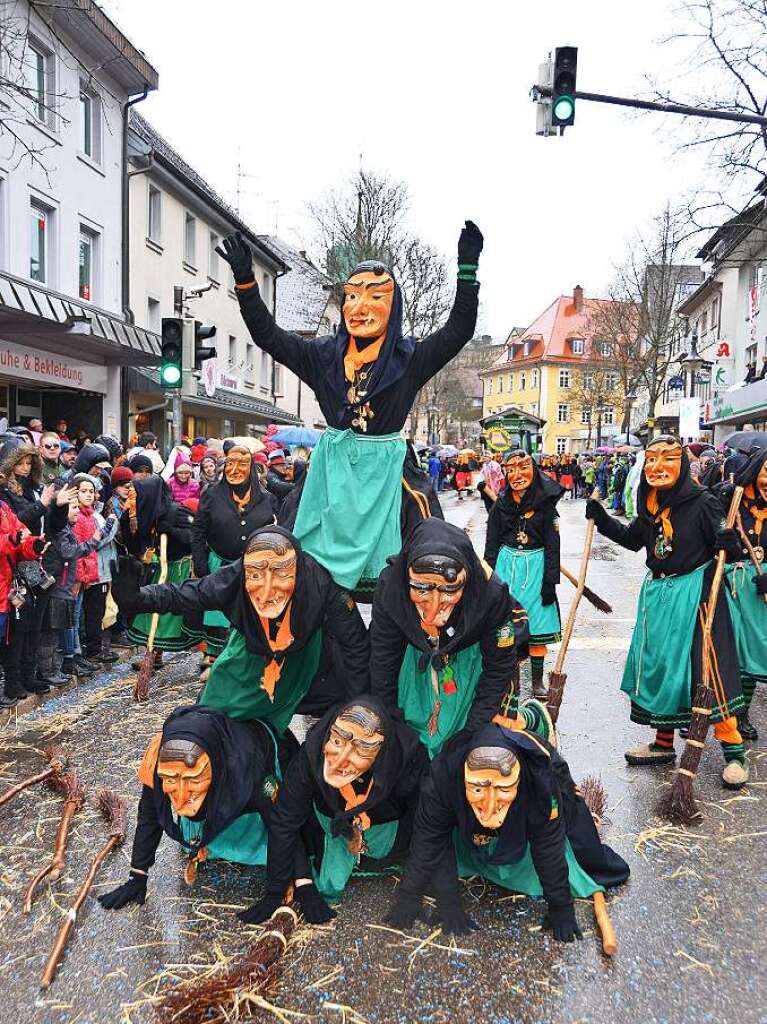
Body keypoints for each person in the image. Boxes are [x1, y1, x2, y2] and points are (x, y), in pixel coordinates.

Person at [216, 221, 482, 593]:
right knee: (289, 558)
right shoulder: (321, 355)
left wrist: (467, 272)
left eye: (376, 296)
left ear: (394, 307)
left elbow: (458, 330)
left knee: (427, 559)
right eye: (352, 296)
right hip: (332, 474)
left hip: (388, 476)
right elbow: (268, 336)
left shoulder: (411, 358)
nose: (360, 306)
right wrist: (245, 281)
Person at [586, 436, 749, 788]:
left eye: (667, 459)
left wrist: (730, 544)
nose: (657, 467)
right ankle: (663, 744)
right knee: (660, 667)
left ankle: (734, 751)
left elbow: (729, 552)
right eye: (651, 460)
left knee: (704, 672)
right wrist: (600, 519)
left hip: (697, 598)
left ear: (683, 464)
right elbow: (634, 540)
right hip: (658, 595)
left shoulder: (703, 503)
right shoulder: (651, 501)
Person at [112, 526, 370, 735]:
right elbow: (191, 593)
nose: (268, 591)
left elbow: (355, 646)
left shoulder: (322, 586)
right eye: (255, 575)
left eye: (281, 574)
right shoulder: (235, 577)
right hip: (252, 651)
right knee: (210, 717)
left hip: (308, 659)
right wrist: (140, 598)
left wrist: (360, 709)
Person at [385, 723, 629, 938]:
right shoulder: (443, 778)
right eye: (478, 788)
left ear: (519, 781)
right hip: (469, 829)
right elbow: (430, 838)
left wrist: (561, 907)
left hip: (523, 823)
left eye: (503, 789)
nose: (490, 805)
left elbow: (548, 845)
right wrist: (427, 898)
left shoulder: (540, 782)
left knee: (562, 865)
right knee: (434, 864)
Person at [240, 697, 428, 920]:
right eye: (337, 742)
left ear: (381, 753)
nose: (339, 762)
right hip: (330, 826)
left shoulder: (410, 760)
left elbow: (426, 824)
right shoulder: (312, 755)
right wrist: (280, 891)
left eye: (361, 751)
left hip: (387, 833)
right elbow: (285, 821)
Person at [97, 705, 300, 905]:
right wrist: (137, 875)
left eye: (192, 779)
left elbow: (281, 822)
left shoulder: (246, 765)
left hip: (251, 774)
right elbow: (150, 814)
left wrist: (290, 878)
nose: (182, 795)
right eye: (170, 779)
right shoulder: (159, 754)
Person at [369, 518, 529, 757]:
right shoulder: (391, 587)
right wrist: (390, 723)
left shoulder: (491, 596)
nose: (433, 610)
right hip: (414, 662)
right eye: (421, 590)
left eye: (448, 592)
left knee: (465, 741)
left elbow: (498, 667)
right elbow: (383, 657)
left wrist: (473, 731)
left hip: (469, 660)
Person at [484, 450, 563, 698]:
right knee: (506, 625)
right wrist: (488, 575)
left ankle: (537, 681)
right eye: (511, 469)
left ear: (534, 469)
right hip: (507, 567)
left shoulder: (547, 506)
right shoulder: (501, 505)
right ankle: (512, 679)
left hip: (536, 567)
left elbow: (553, 546)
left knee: (537, 629)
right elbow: (492, 542)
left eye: (523, 467)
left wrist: (550, 582)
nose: (517, 474)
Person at [0, 441, 75, 700]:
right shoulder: (4, 493)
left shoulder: (35, 488)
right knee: (18, 626)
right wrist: (43, 505)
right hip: (16, 564)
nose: (24, 467)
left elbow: (52, 525)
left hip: (39, 562)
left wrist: (60, 506)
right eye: (19, 462)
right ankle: (14, 679)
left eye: (29, 463)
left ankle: (29, 675)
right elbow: (18, 524)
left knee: (35, 623)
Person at [191, 444, 278, 661]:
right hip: (218, 563)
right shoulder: (211, 495)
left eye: (242, 464)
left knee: (250, 614)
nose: (235, 470)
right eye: (231, 464)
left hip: (254, 567)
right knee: (217, 615)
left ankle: (245, 658)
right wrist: (200, 563)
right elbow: (198, 531)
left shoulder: (267, 499)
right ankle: (213, 659)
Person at [121, 476, 201, 660]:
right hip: (164, 568)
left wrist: (171, 531)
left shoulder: (177, 511)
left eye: (137, 496)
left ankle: (208, 654)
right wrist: (127, 523)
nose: (134, 500)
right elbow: (135, 545)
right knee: (152, 610)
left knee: (181, 613)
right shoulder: (146, 516)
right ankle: (153, 654)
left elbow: (195, 538)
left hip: (182, 568)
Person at [724, 448, 767, 742]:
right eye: (766, 473)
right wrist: (724, 541)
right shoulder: (731, 500)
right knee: (728, 651)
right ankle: (715, 711)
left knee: (752, 653)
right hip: (729, 583)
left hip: (759, 590)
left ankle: (742, 713)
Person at [0, 500, 48, 706]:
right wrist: (12, 539)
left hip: (6, 587)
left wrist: (34, 545)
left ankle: (12, 682)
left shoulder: (4, 507)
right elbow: (11, 539)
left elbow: (20, 539)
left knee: (7, 638)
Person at [69, 474, 119, 666]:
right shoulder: (79, 517)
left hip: (91, 571)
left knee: (86, 613)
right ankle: (79, 653)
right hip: (82, 573)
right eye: (84, 491)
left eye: (92, 491)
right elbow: (88, 546)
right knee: (79, 615)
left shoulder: (90, 514)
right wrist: (111, 525)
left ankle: (79, 653)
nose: (90, 495)